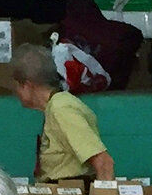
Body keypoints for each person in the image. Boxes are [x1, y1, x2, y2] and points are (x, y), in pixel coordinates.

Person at [10, 43, 112, 184]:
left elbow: (104, 163)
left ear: (26, 85)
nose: (15, 93)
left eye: (16, 86)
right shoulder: (55, 106)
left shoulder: (61, 108)